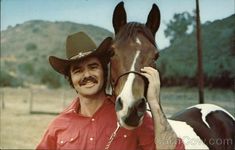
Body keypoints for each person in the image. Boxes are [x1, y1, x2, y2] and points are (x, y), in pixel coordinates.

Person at [36, 32, 184, 150]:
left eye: (93, 67)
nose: (87, 75)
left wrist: (154, 103)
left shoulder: (130, 114)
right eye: (78, 70)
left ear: (104, 71)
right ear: (71, 79)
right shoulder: (58, 125)